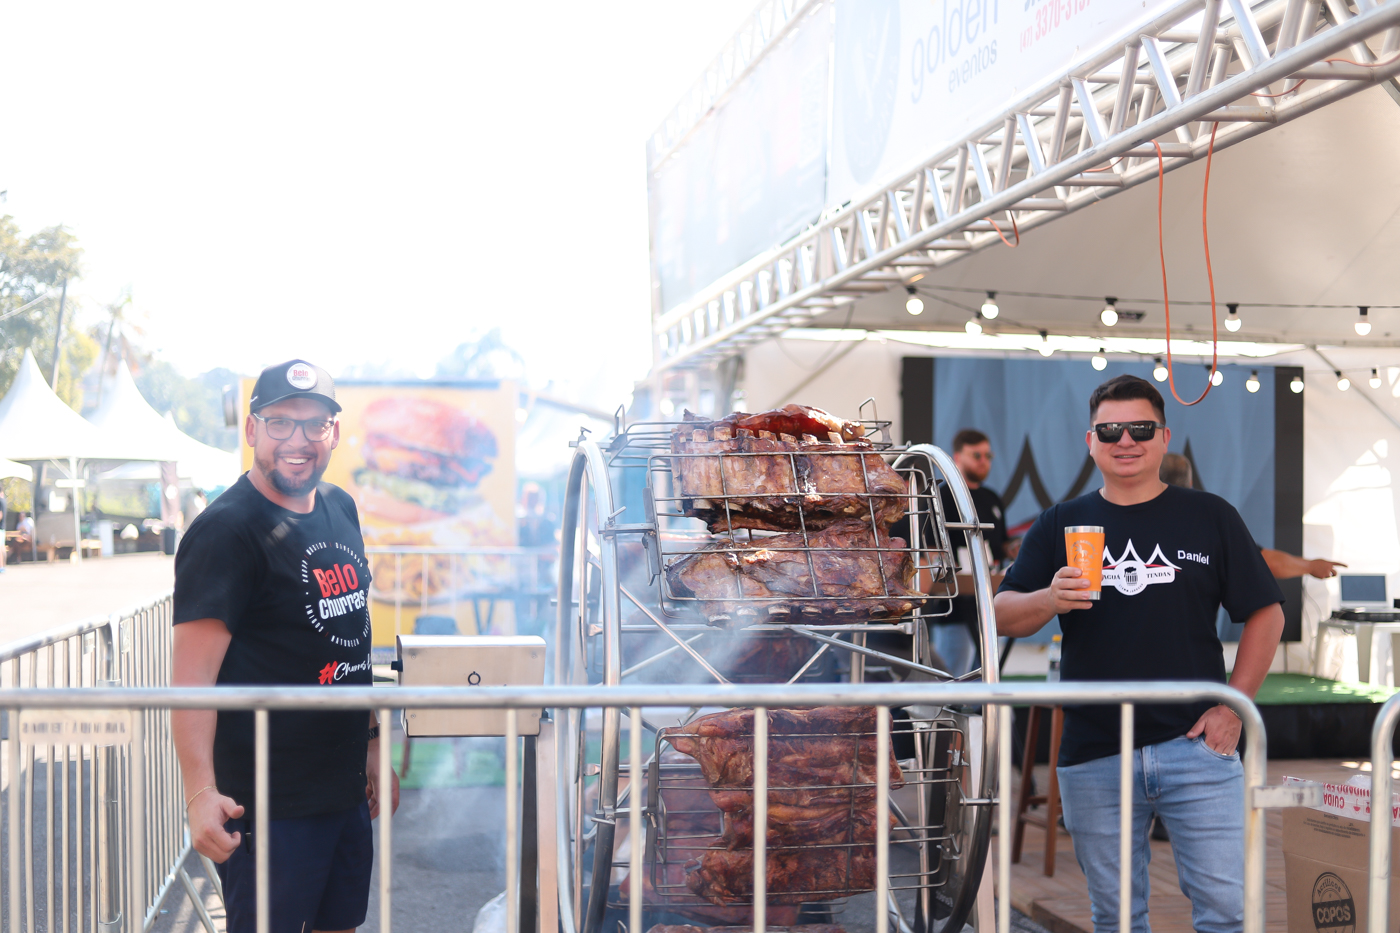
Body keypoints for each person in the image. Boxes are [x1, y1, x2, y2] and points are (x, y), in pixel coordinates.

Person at [994, 374, 1284, 933]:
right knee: (1117, 919)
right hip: (1094, 753)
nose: (1125, 440)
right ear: (1090, 441)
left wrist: (1233, 707)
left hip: (1197, 748)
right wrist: (1049, 598)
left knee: (1227, 913)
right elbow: (1002, 612)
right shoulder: (1060, 522)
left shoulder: (1211, 515)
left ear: (1164, 437)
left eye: (1141, 429)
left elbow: (1266, 613)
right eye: (1109, 430)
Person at [172, 359, 399, 933]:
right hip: (267, 804)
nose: (298, 440)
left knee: (340, 926)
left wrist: (374, 746)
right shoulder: (225, 531)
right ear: (252, 430)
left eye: (314, 423)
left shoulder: (340, 507)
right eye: (280, 422)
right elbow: (192, 681)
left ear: (334, 433)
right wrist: (200, 792)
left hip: (343, 790)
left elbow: (351, 644)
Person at [893, 429, 1007, 676]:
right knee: (950, 676)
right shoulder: (939, 498)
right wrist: (942, 570)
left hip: (989, 601)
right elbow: (929, 550)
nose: (983, 461)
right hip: (952, 604)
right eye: (976, 455)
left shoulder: (991, 498)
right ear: (958, 457)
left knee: (989, 670)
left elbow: (1001, 545)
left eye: (988, 456)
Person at [1160, 452, 1345, 581]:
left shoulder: (1142, 519)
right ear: (1191, 483)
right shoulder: (1211, 525)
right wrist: (1310, 566)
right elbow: (1266, 562)